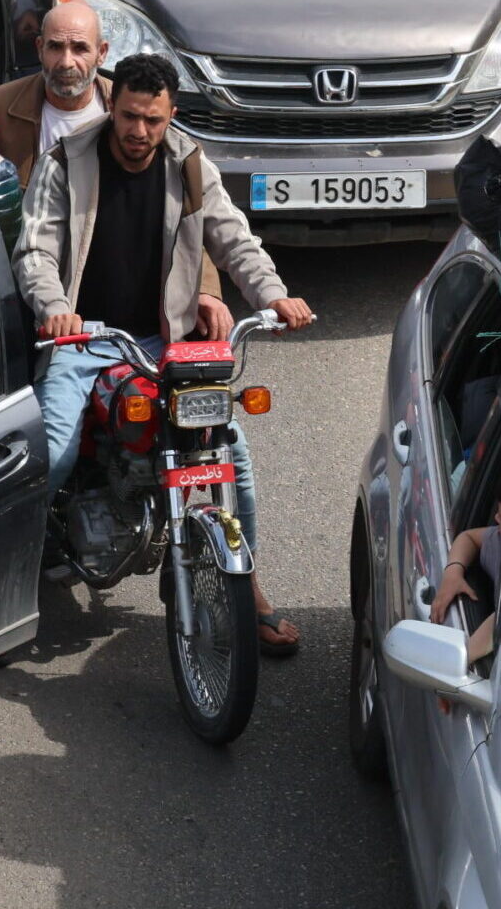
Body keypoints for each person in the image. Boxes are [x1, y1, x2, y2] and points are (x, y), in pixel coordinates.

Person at [17, 53, 312, 652]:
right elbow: (36, 251)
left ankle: (246, 585)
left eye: (153, 120)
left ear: (171, 114)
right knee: (52, 448)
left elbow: (234, 240)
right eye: (128, 116)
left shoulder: (191, 164)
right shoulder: (67, 159)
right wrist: (54, 306)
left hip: (162, 338)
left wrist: (275, 297)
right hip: (84, 337)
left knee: (232, 453)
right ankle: (1, 585)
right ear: (112, 106)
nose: (139, 132)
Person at [0, 1, 232, 342]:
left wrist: (205, 289)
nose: (66, 62)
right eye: (56, 47)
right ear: (39, 49)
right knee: (28, 393)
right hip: (22, 295)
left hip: (118, 298)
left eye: (80, 48)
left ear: (102, 53)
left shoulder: (135, 110)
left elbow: (186, 212)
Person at [431, 473, 501, 664]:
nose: (496, 520)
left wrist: (465, 658)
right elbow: (469, 538)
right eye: (498, 515)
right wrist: (453, 572)